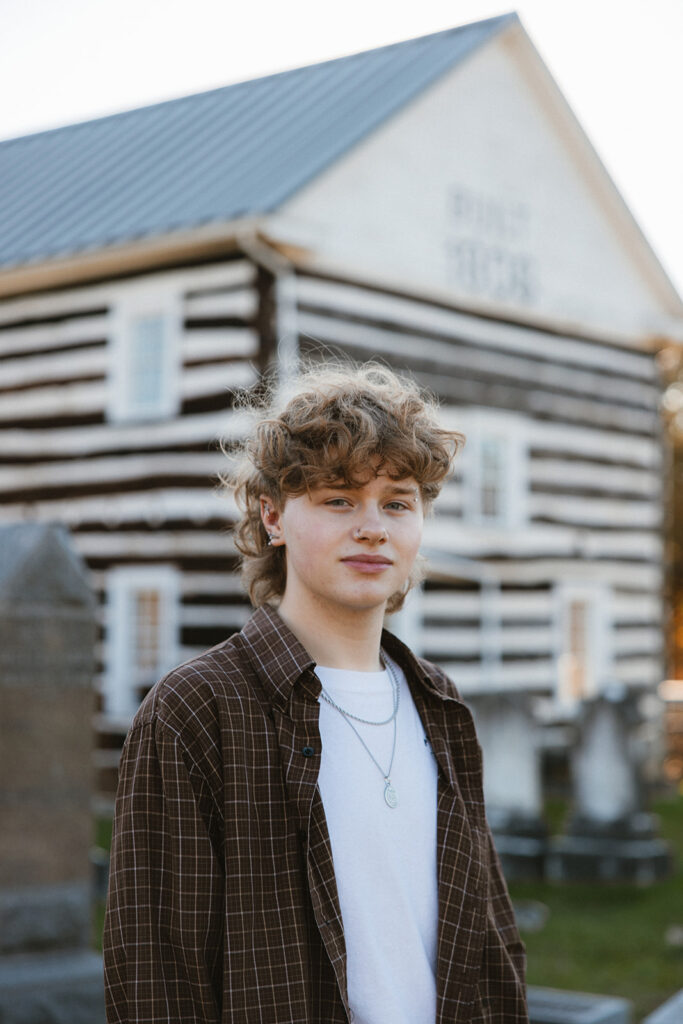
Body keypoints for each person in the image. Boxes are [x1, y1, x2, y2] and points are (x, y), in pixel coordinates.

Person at [103, 361, 528, 1023]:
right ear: (273, 516)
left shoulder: (438, 705)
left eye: (397, 501)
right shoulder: (198, 708)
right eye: (337, 498)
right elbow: (156, 976)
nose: (372, 526)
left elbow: (490, 941)